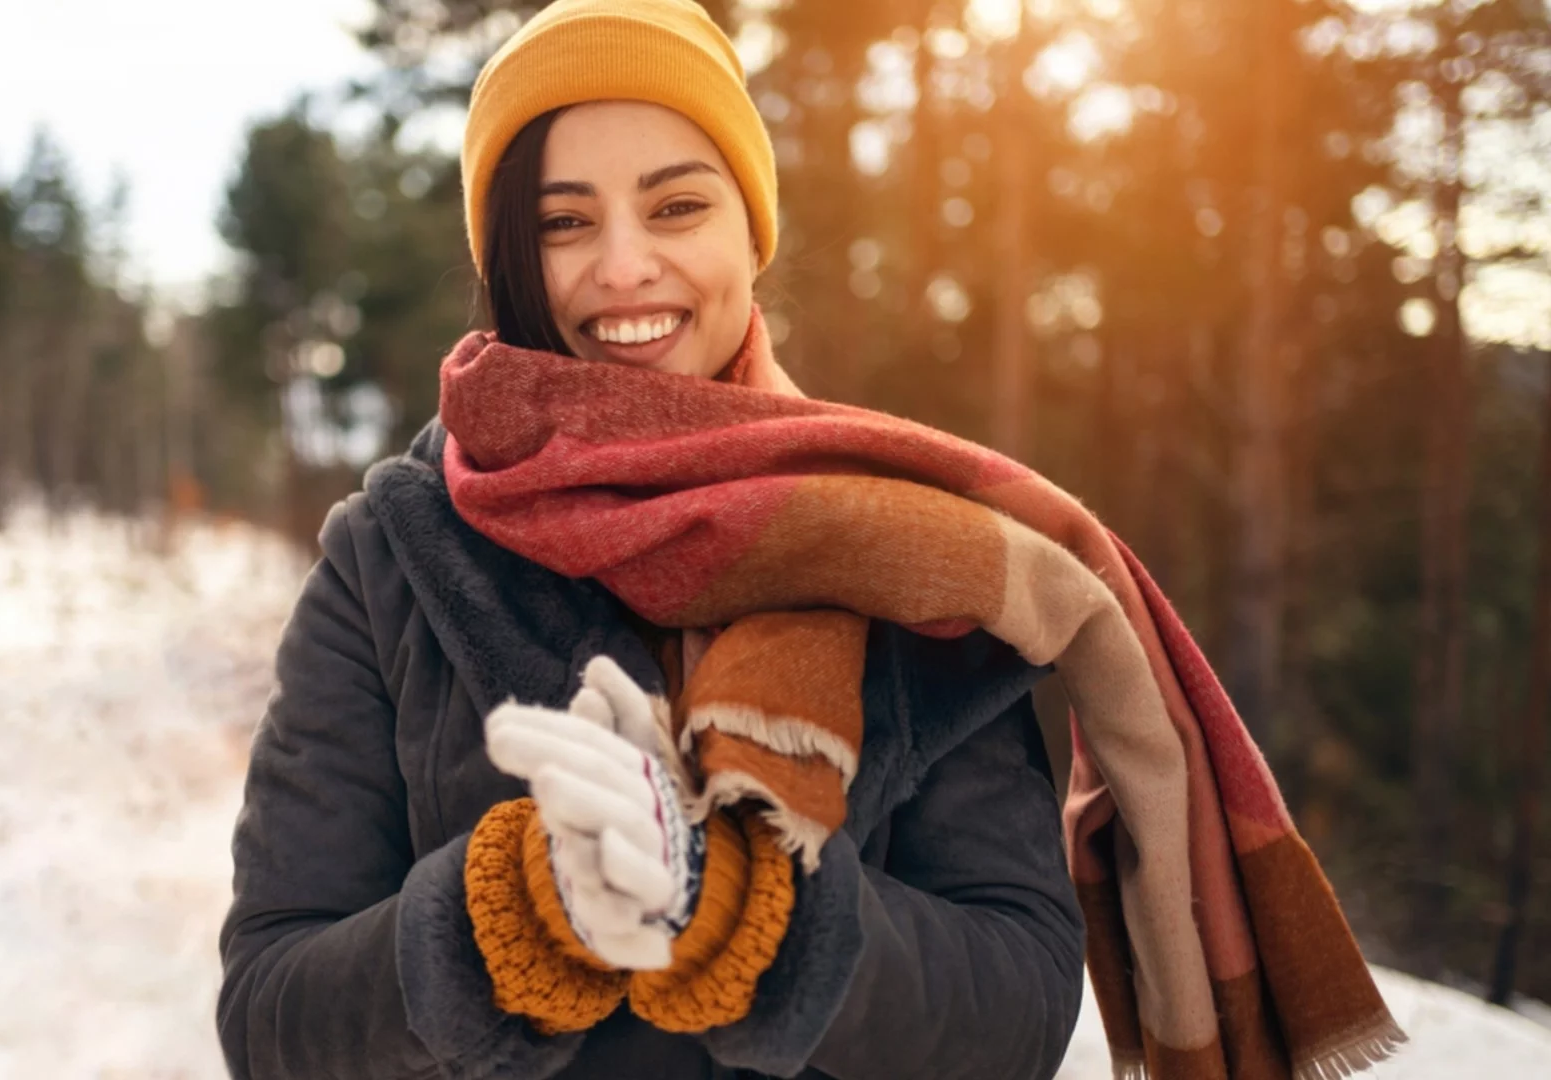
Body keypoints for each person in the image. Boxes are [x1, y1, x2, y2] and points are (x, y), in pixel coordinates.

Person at [219, 3, 1401, 1079]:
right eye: (563, 222)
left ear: (751, 231)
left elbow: (1016, 1008)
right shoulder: (391, 555)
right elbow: (272, 1014)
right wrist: (508, 915)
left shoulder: (903, 547)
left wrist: (752, 917)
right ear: (507, 261)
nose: (624, 266)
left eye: (678, 204)